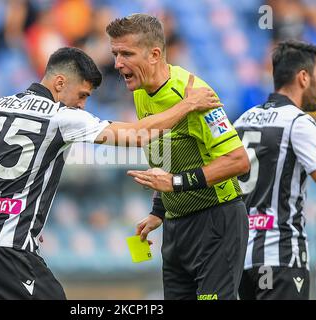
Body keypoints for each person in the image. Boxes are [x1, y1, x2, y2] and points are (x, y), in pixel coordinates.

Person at [0, 46, 220, 300]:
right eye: (82, 95)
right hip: (11, 253)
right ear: (59, 84)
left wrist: (7, 211)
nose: (82, 105)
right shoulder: (61, 116)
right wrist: (187, 105)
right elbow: (139, 135)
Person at [106, 14, 250, 300]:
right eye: (115, 53)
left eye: (126, 54)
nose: (117, 64)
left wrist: (175, 183)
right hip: (176, 225)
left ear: (154, 54)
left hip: (216, 221)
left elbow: (238, 161)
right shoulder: (140, 92)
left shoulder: (195, 95)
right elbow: (166, 154)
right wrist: (159, 210)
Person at [233, 40, 316, 300]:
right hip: (281, 256)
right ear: (303, 77)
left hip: (240, 260)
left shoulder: (241, 120)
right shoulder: (299, 122)